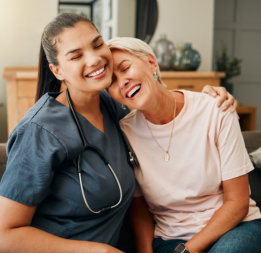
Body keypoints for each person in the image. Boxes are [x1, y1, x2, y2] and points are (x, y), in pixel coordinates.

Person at [0, 13, 236, 253]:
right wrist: (97, 251)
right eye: (76, 56)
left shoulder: (114, 104)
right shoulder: (38, 131)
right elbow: (5, 236)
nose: (94, 59)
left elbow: (160, 101)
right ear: (57, 70)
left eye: (97, 44)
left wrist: (207, 98)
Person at [107, 37, 261, 253]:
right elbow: (139, 207)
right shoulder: (124, 133)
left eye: (125, 68)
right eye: (111, 81)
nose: (121, 81)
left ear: (151, 63)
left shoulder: (215, 109)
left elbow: (238, 202)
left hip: (235, 230)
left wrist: (187, 250)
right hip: (170, 239)